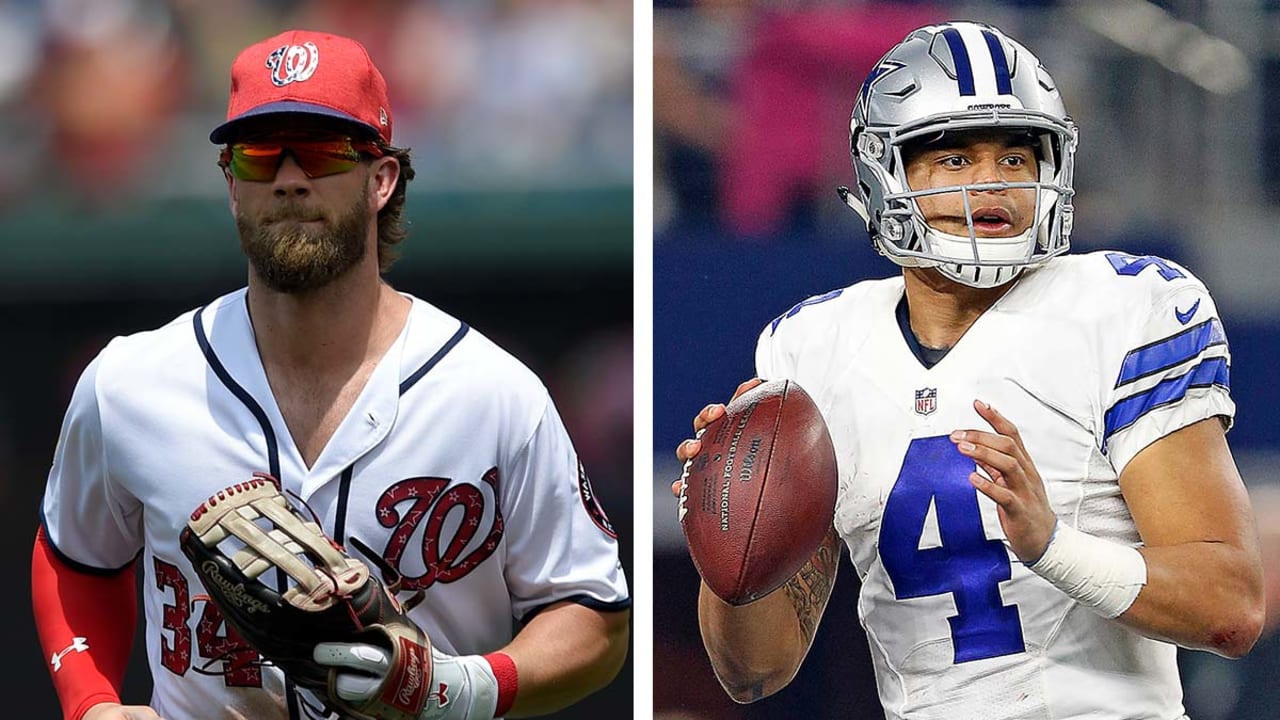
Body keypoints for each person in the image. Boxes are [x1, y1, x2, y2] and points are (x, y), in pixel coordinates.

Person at [32, 29, 630, 720]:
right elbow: (71, 557)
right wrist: (91, 704)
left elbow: (595, 615)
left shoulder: (494, 396)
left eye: (319, 150)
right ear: (231, 185)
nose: (289, 177)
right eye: (259, 156)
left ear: (382, 179)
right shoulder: (131, 383)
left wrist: (455, 689)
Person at [673, 21, 1264, 719]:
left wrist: (1053, 546)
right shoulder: (814, 344)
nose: (992, 182)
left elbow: (1230, 605)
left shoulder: (1124, 306)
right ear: (883, 173)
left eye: (1017, 157)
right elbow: (755, 672)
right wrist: (727, 539)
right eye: (955, 159)